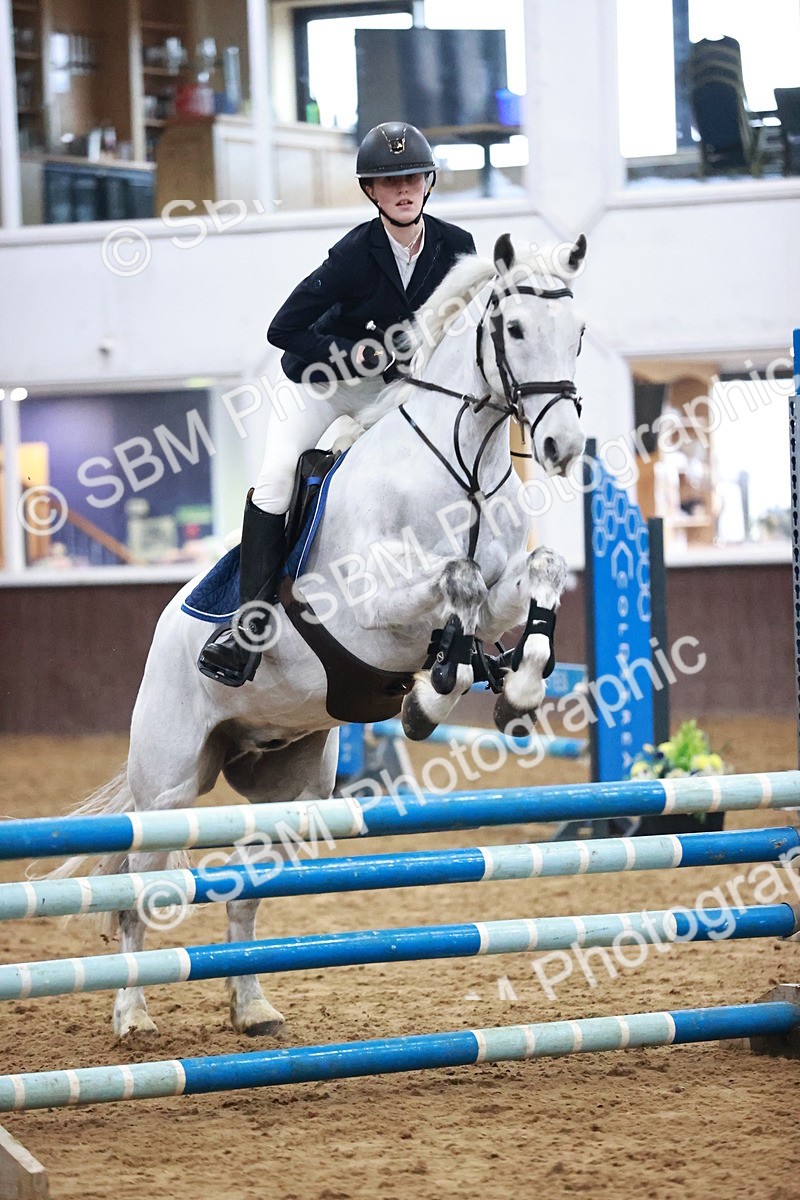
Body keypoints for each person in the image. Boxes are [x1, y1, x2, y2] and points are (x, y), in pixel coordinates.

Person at [198, 121, 476, 687]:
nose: (402, 189)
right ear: (371, 192)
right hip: (322, 386)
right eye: (388, 181)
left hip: (397, 391)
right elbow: (283, 329)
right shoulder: (353, 254)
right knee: (277, 479)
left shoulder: (456, 248)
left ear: (428, 183)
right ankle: (247, 629)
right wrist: (356, 354)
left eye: (412, 178)